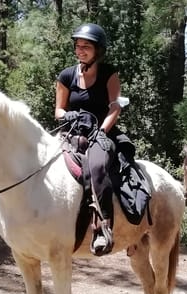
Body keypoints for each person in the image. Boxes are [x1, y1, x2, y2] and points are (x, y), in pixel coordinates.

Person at [55, 23, 128, 256]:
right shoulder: (66, 75)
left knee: (97, 166)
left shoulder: (109, 73)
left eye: (86, 46)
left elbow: (115, 107)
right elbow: (58, 110)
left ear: (98, 49)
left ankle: (102, 228)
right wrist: (68, 115)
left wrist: (102, 132)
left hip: (100, 133)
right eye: (78, 46)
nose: (80, 50)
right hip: (71, 131)